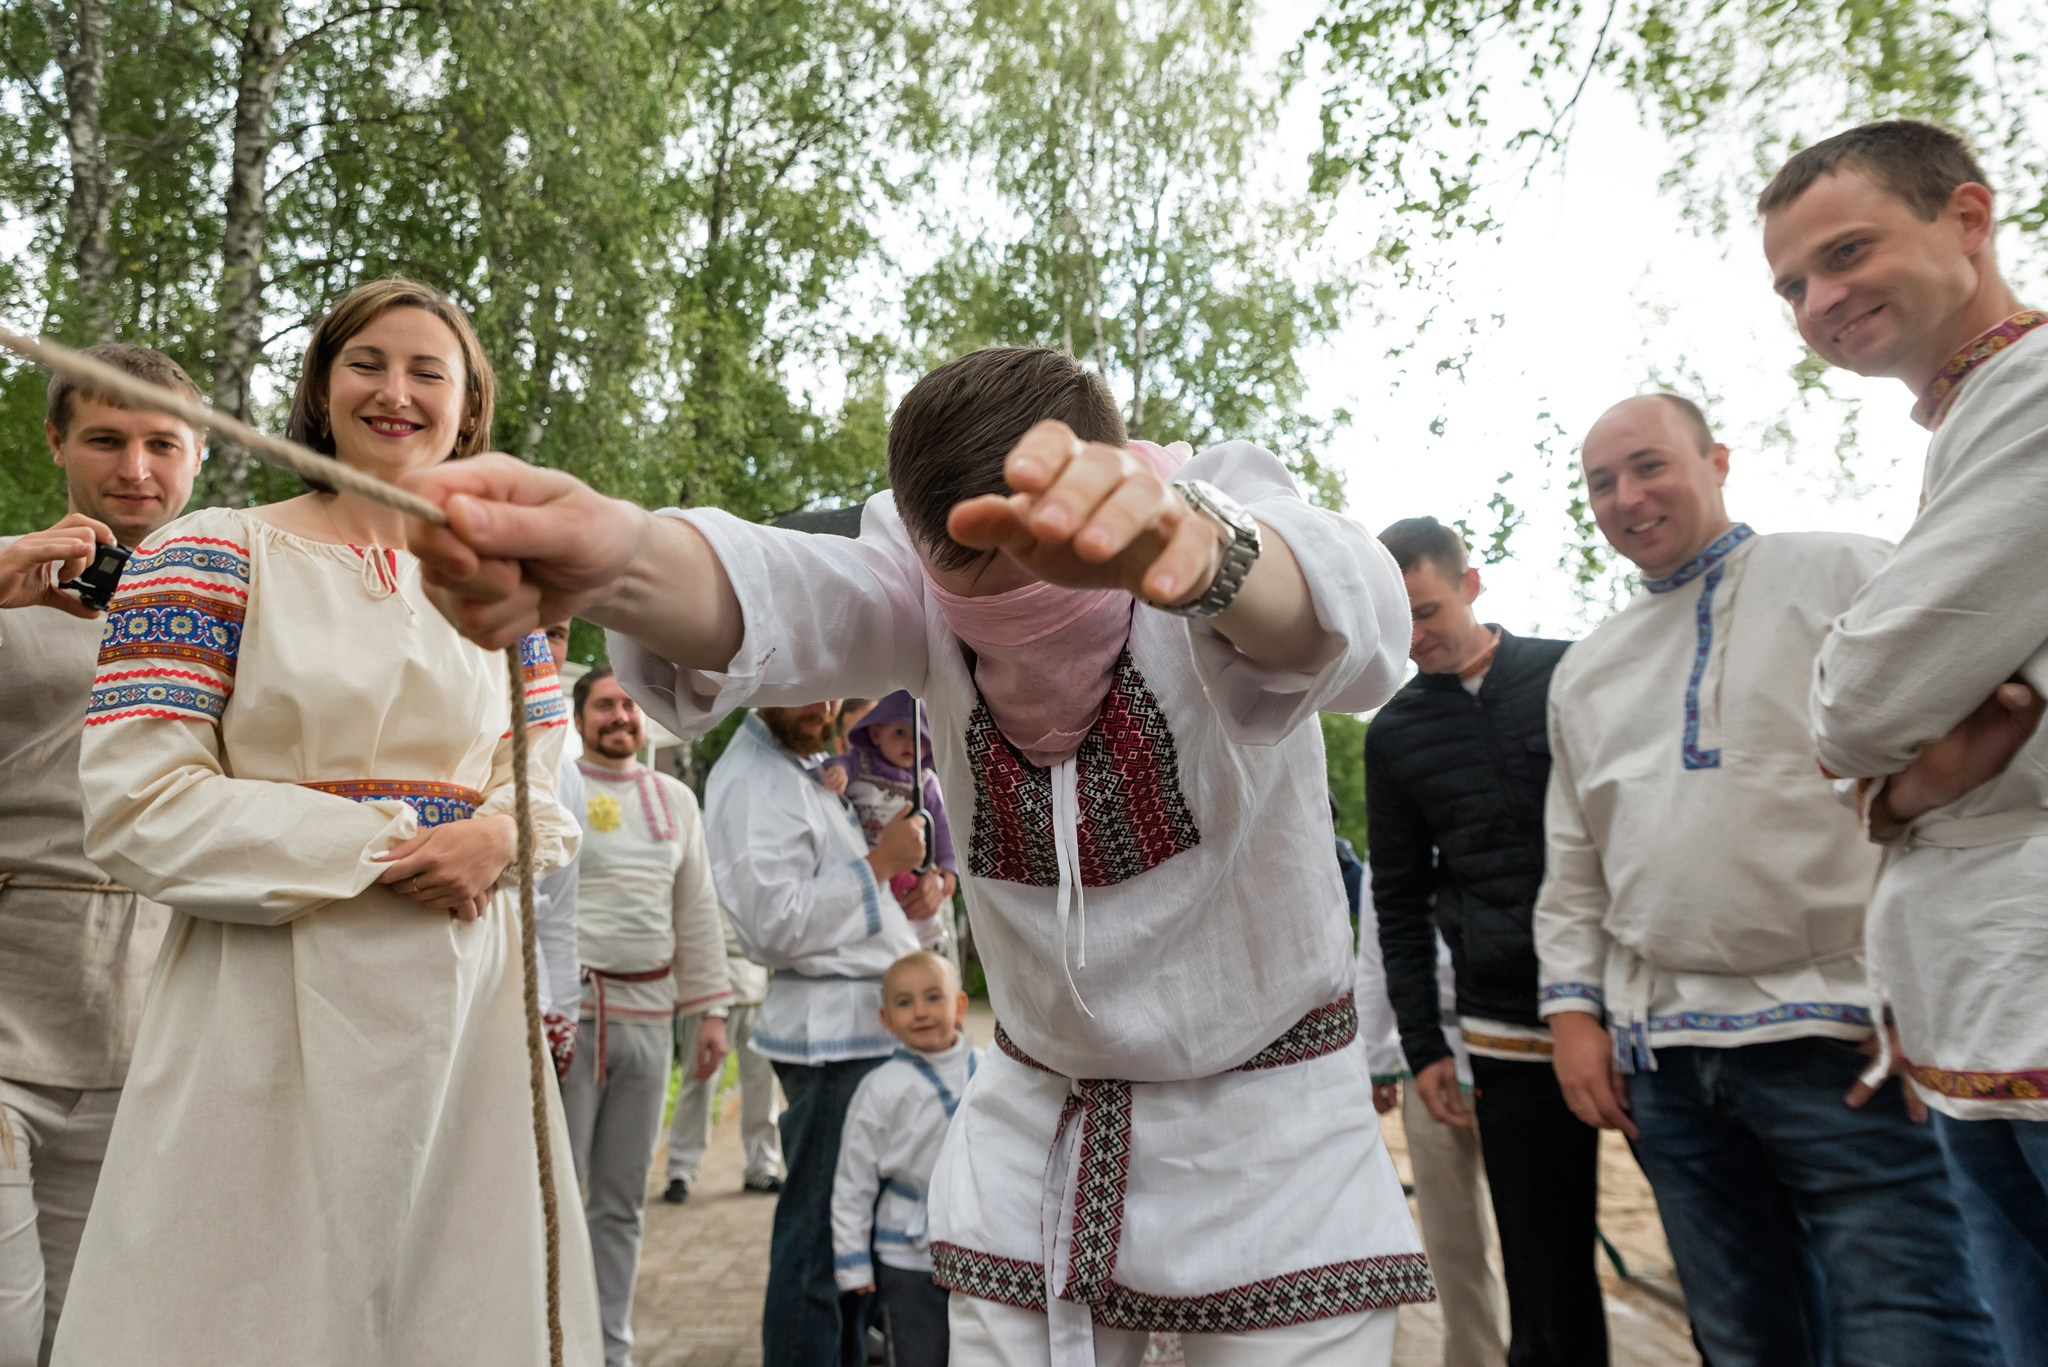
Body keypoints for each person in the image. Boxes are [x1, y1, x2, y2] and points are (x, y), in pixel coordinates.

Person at [403, 344, 1429, 1365]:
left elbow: (1354, 617)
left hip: (1270, 1146)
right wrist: (622, 556)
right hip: (1038, 1146)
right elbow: (791, 588)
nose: (1023, 602)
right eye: (976, 569)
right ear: (928, 552)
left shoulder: (1215, 517)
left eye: (1054, 559)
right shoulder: (913, 592)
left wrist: (1196, 555)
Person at [54, 278, 600, 1365]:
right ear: (318, 387)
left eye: (425, 370)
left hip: (468, 998)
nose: (393, 390)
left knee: (457, 1301)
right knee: (257, 1297)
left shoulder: (498, 590)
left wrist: (501, 837)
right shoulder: (208, 552)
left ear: (467, 410)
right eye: (366, 363)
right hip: (267, 998)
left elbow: (544, 766)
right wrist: (386, 845)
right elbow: (135, 803)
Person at [1535, 391, 1998, 1367]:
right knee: (1744, 1343)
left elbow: (1961, 787)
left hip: (1848, 1044)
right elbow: (1573, 858)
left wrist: (1936, 991)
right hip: (1667, 1061)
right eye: (1599, 481)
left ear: (1717, 458)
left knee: (1912, 1334)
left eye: (1649, 464)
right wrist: (1570, 1011)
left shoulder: (1842, 570)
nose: (1625, 495)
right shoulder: (1586, 668)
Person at [1759, 118, 2048, 1363]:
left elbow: (1851, 704)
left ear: (1968, 220)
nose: (1819, 299)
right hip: (1972, 1003)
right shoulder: (1968, 426)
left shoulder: (2033, 395)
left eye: (1846, 250)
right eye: (1790, 285)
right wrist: (1907, 787)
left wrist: (1885, 760)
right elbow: (1880, 734)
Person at [0, 344, 200, 1365]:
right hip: (8, 1007)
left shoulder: (230, 617)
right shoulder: (6, 578)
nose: (136, 467)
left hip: (148, 1028)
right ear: (55, 441)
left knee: (89, 1336)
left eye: (161, 442)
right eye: (107, 438)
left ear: (199, 456)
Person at [1364, 517, 1593, 1367]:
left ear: (1471, 583)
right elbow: (1397, 898)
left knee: (1714, 1238)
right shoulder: (1394, 735)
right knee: (1544, 1275)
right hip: (1502, 1026)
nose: (1415, 636)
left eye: (1426, 609)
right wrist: (1421, 1041)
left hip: (1632, 1001)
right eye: (1398, 621)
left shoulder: (1574, 673)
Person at [700, 699, 929, 1365]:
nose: (826, 705)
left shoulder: (800, 766)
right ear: (761, 676)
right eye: (807, 685)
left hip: (865, 1034)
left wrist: (900, 893)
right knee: (818, 1253)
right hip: (832, 1046)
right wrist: (879, 867)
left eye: (834, 688)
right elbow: (775, 924)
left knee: (852, 1250)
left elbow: (833, 894)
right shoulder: (751, 778)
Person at [562, 664, 731, 1367]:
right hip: (569, 1020)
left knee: (621, 1201)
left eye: (629, 704)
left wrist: (711, 1012)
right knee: (561, 1197)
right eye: (604, 704)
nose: (620, 716)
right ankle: (555, 1343)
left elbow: (696, 910)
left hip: (648, 1018)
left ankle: (611, 1349)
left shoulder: (675, 798)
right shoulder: (555, 787)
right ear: (578, 717)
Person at [1351, 847, 1508, 1367]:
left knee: (1538, 1239)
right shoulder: (1395, 844)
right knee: (1451, 1239)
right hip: (1429, 1060)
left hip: (1519, 1053)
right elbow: (1375, 958)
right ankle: (1473, 1356)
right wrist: (1375, 1059)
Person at [832, 950, 982, 1367]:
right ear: (886, 1019)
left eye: (934, 997)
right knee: (921, 1354)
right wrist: (852, 1262)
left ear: (960, 1006)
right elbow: (853, 1181)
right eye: (904, 1002)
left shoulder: (989, 1073)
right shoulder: (879, 1088)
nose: (920, 1012)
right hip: (908, 1253)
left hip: (981, 1242)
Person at [663, 897, 784, 1203]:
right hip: (708, 984)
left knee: (762, 1083)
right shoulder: (704, 850)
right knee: (699, 1079)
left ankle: (762, 1165)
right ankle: (681, 1167)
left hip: (758, 982)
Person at [820, 690, 960, 949]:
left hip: (912, 871)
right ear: (875, 734)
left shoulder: (925, 781)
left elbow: (941, 826)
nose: (910, 743)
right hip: (867, 864)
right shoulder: (860, 763)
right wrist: (837, 770)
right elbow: (841, 763)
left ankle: (930, 950)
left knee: (921, 920)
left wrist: (948, 866)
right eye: (899, 733)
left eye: (920, 737)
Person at [536, 618, 585, 1080]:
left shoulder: (566, 776)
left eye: (554, 632)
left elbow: (557, 909)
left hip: (531, 1005)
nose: (538, 646)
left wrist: (563, 1011)